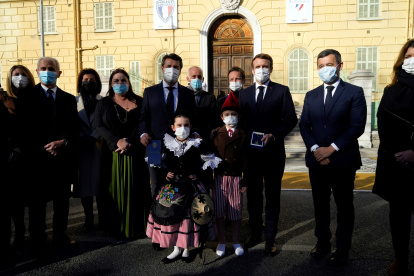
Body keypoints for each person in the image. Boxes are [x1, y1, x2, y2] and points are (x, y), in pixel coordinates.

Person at [299, 49, 367, 266]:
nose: (324, 69)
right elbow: (304, 125)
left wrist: (332, 149)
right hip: (317, 160)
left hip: (343, 160)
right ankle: (322, 242)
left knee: (344, 206)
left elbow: (357, 126)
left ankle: (343, 248)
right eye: (320, 66)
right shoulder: (311, 95)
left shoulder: (354, 93)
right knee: (320, 205)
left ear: (340, 65)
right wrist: (316, 149)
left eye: (329, 64)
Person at [18, 57, 79, 257]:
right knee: (37, 205)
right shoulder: (27, 97)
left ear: (59, 73)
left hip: (61, 160)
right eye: (43, 68)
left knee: (62, 202)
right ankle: (38, 241)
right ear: (37, 72)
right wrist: (46, 147)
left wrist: (63, 143)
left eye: (51, 68)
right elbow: (24, 130)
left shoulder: (69, 99)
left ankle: (60, 236)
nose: (47, 71)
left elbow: (73, 128)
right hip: (37, 161)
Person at [239, 53, 297, 256]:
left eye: (265, 66)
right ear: (252, 70)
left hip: (273, 153)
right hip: (251, 156)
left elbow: (290, 119)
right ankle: (255, 232)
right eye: (258, 66)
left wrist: (275, 134)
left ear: (271, 69)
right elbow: (241, 123)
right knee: (253, 197)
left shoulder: (281, 91)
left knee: (272, 197)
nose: (261, 69)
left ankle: (270, 237)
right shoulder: (244, 95)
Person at [146, 111, 218, 263]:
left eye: (186, 125)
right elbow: (156, 164)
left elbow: (208, 163)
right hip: (172, 188)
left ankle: (186, 249)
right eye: (179, 125)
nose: (182, 128)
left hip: (191, 187)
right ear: (173, 127)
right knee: (172, 217)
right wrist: (165, 174)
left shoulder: (198, 144)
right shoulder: (166, 144)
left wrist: (197, 175)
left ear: (191, 126)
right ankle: (176, 249)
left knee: (188, 219)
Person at [373, 39, 414, 275]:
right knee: (398, 217)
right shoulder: (390, 91)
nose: (411, 61)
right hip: (397, 164)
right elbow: (383, 125)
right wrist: (396, 154)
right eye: (408, 57)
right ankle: (400, 258)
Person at [95, 68, 151, 239]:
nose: (120, 84)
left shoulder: (140, 102)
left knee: (137, 189)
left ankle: (137, 226)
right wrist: (116, 141)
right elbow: (99, 126)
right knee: (114, 191)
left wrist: (131, 143)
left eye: (123, 80)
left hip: (136, 154)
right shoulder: (103, 103)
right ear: (111, 84)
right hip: (113, 155)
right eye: (116, 81)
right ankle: (116, 227)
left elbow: (144, 123)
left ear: (129, 83)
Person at [139, 53, 196, 197]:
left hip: (180, 146)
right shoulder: (150, 92)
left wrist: (195, 133)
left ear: (180, 70)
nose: (172, 69)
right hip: (154, 145)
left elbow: (194, 119)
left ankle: (177, 218)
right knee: (157, 186)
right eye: (169, 66)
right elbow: (144, 117)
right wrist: (143, 133)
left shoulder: (188, 94)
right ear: (162, 68)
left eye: (176, 67)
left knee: (178, 184)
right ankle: (156, 217)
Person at [2, 65, 36, 249]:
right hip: (10, 160)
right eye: (16, 75)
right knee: (11, 204)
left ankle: (27, 237)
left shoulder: (35, 99)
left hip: (29, 158)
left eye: (23, 74)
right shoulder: (4, 100)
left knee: (28, 203)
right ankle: (11, 242)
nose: (20, 77)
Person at [212, 92, 248, 257]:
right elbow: (209, 157)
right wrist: (210, 180)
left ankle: (235, 240)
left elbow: (247, 160)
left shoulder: (243, 135)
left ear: (239, 116)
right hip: (220, 177)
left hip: (236, 178)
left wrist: (245, 179)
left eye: (233, 114)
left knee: (235, 211)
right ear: (221, 116)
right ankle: (221, 241)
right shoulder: (216, 134)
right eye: (227, 114)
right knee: (219, 211)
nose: (230, 117)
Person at [73, 68, 103, 233]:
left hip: (98, 146)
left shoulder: (103, 101)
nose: (88, 82)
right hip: (81, 148)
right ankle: (88, 219)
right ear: (80, 82)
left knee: (100, 185)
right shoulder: (74, 101)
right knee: (84, 186)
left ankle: (102, 218)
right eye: (85, 79)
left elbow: (104, 122)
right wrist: (80, 138)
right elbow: (71, 122)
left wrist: (93, 136)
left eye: (92, 80)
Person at [186, 66, 218, 142]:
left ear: (202, 79)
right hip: (186, 137)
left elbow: (214, 118)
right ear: (188, 79)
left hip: (204, 137)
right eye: (193, 76)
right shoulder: (182, 95)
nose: (197, 79)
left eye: (199, 77)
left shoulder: (210, 97)